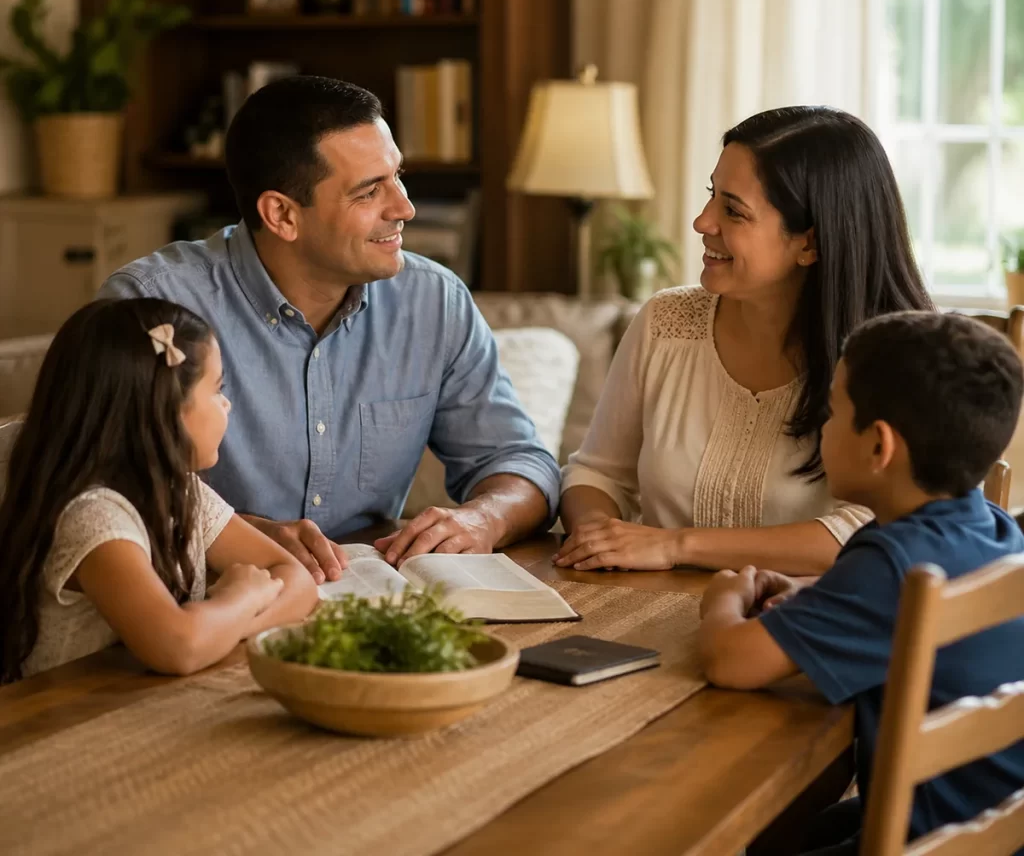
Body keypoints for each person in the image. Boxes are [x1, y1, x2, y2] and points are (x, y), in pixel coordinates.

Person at [98, 76, 560, 586]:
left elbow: (521, 463)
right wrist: (239, 535)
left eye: (397, 176)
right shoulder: (152, 307)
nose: (404, 207)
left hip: (375, 598)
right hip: (207, 605)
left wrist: (484, 517)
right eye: (369, 191)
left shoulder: (434, 302)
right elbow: (103, 494)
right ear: (282, 215)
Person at [555, 106, 932, 575]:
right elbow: (597, 473)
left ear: (809, 244)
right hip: (642, 612)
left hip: (806, 630)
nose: (701, 221)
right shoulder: (665, 322)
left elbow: (877, 532)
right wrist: (600, 536)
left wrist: (676, 546)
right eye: (712, 195)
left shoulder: (897, 360)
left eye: (733, 210)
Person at [698, 312, 1024, 854]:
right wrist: (809, 594)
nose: (822, 426)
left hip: (922, 839)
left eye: (832, 411)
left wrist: (723, 601)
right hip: (990, 826)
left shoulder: (894, 564)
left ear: (879, 447)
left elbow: (732, 662)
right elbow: (886, 610)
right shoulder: (995, 528)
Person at [0, 298, 318, 683]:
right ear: (165, 410)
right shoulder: (92, 518)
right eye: (217, 389)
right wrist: (241, 599)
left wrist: (222, 627)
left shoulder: (176, 487)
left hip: (139, 702)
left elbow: (296, 579)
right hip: (65, 724)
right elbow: (178, 647)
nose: (226, 404)